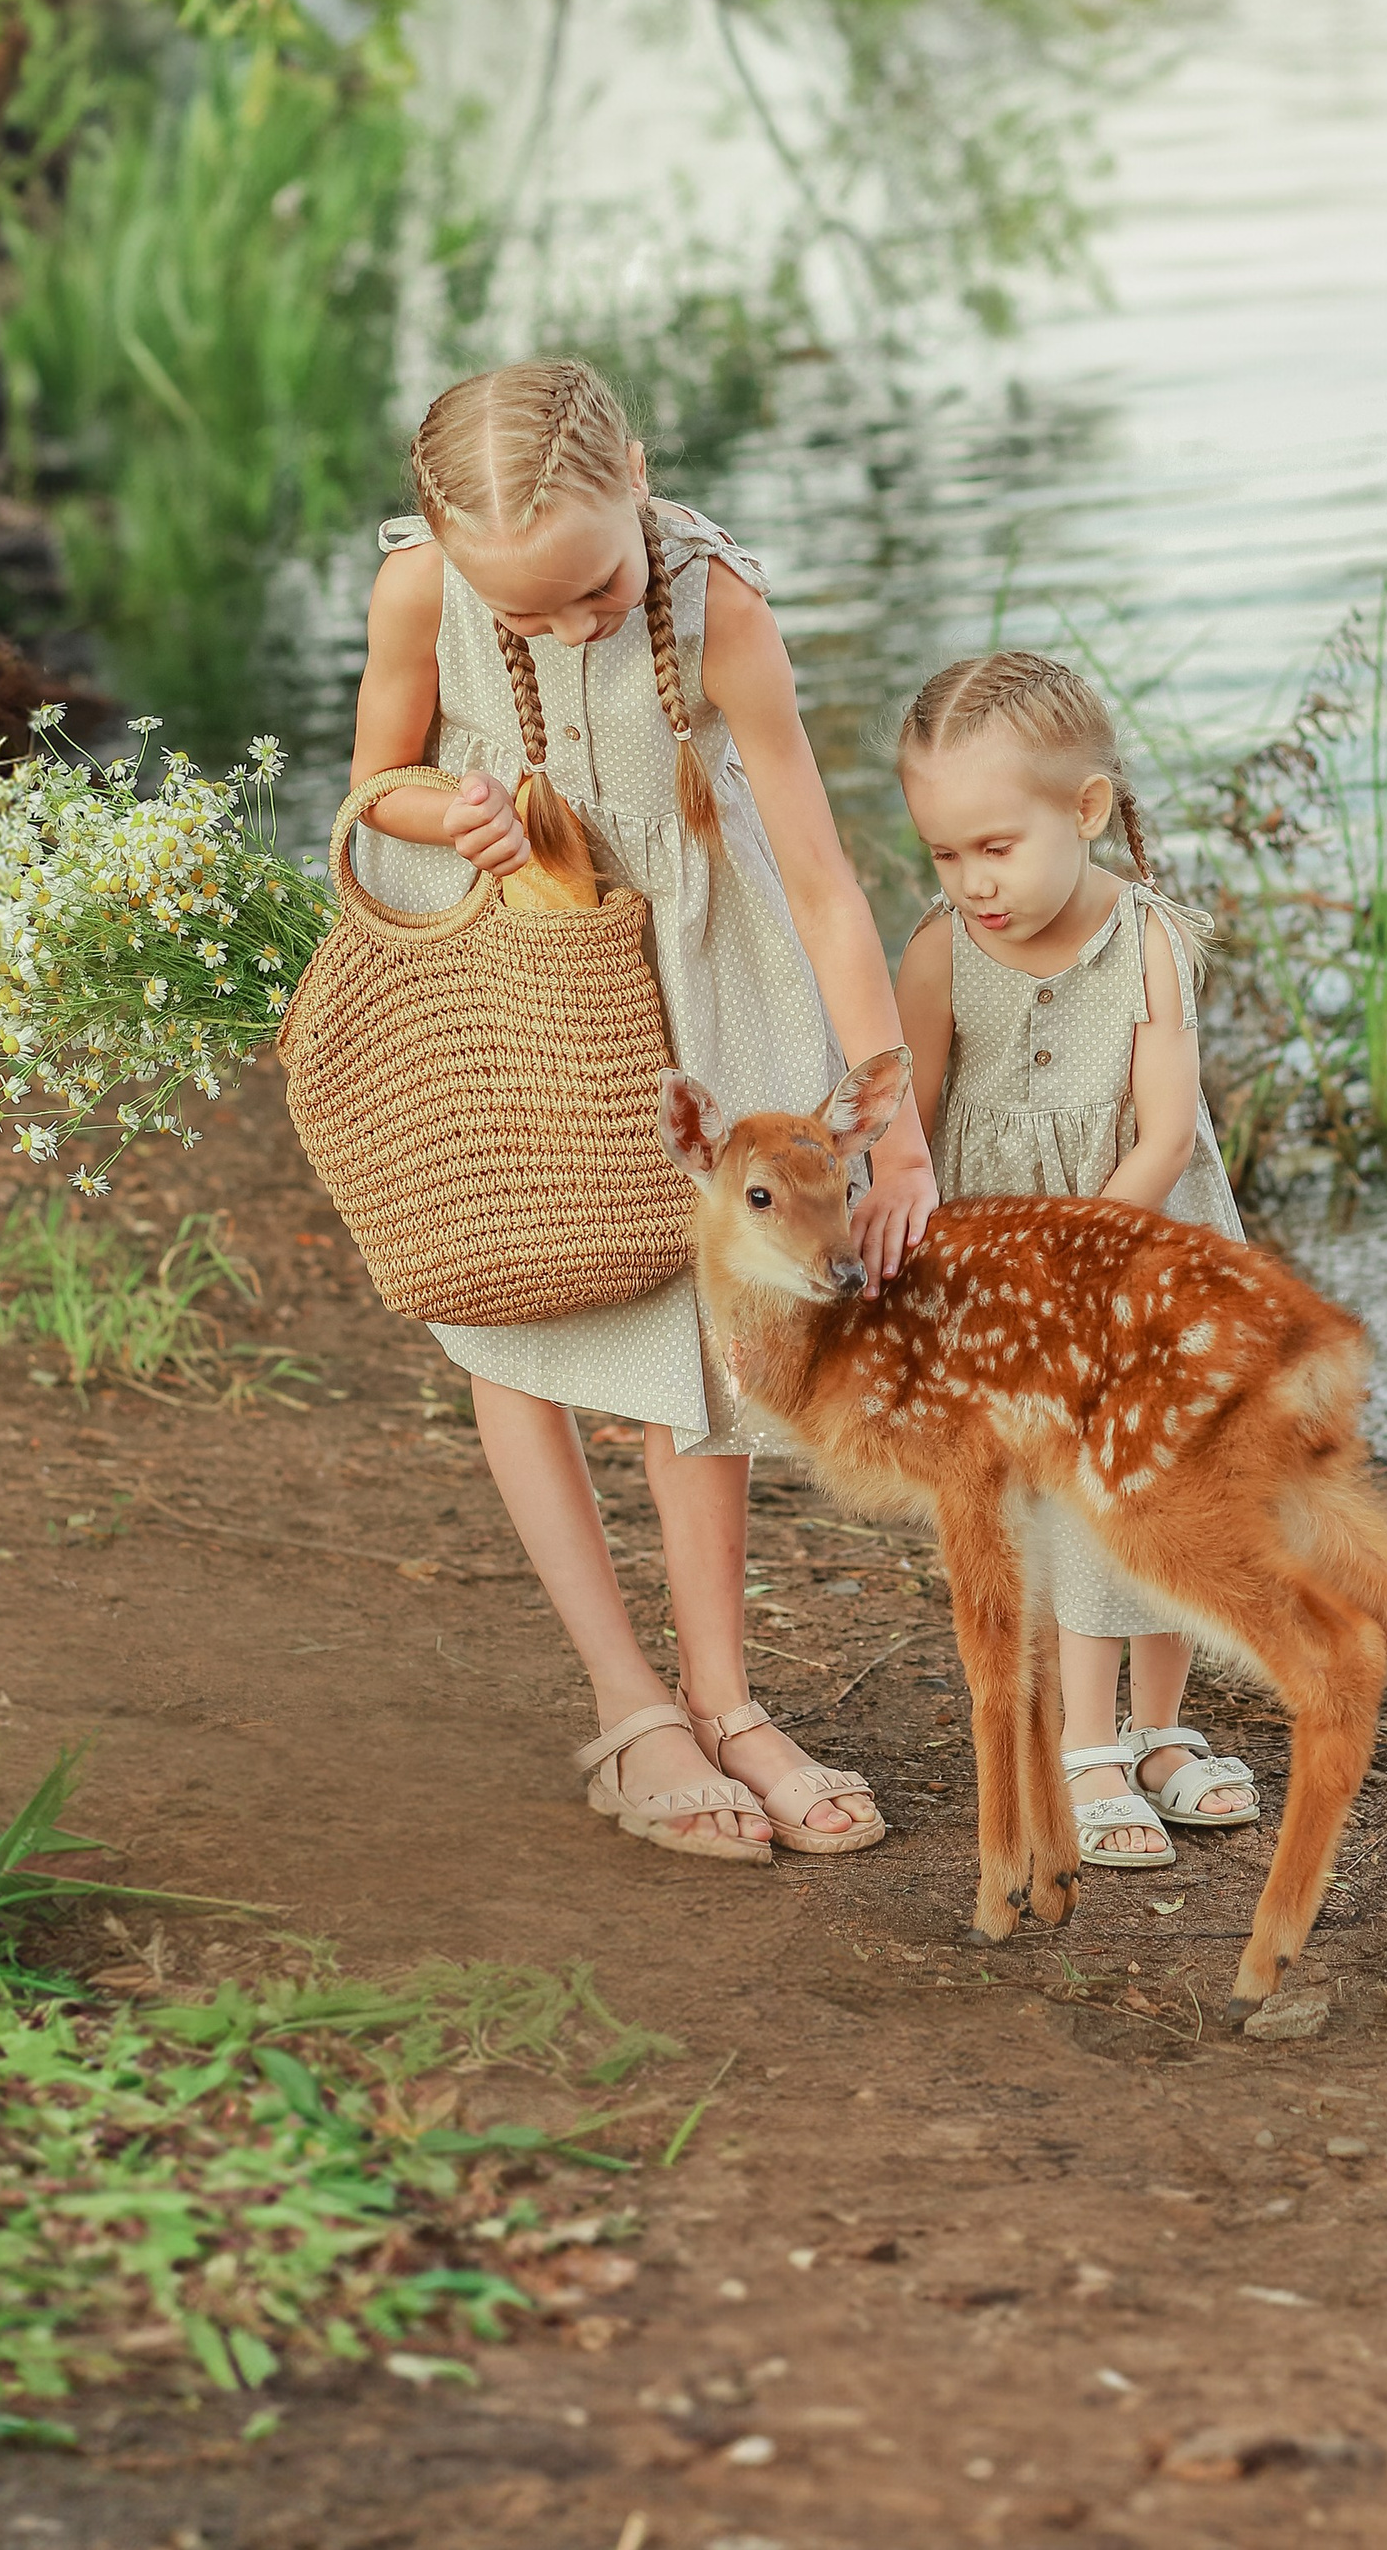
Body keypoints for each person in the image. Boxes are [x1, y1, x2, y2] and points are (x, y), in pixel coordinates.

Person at [350, 358, 937, 1867]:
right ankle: (631, 1704)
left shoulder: (719, 606)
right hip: (515, 957)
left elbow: (819, 875)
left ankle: (728, 1698)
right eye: (528, 615)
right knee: (519, 1294)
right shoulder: (422, 586)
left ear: (642, 479)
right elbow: (377, 781)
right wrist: (451, 809)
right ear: (439, 531)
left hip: (701, 961)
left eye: (594, 589)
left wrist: (899, 1125)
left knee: (706, 1329)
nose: (566, 629)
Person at [891, 652, 1260, 1869]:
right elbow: (913, 1133)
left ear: (1086, 810)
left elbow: (1163, 1133)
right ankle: (1079, 1744)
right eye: (945, 855)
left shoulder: (1146, 938)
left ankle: (1156, 1730)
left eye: (995, 846)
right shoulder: (940, 957)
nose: (972, 882)